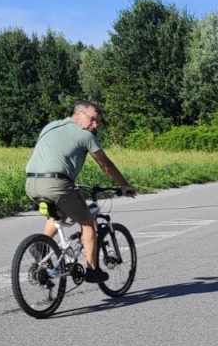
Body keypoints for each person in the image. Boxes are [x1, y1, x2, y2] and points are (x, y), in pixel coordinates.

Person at [24, 100, 135, 282]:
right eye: (92, 119)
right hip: (57, 184)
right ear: (78, 115)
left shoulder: (50, 126)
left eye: (98, 121)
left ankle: (41, 246)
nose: (95, 124)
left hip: (31, 183)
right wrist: (124, 184)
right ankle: (92, 270)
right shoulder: (84, 136)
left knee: (59, 215)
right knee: (87, 221)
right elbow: (105, 164)